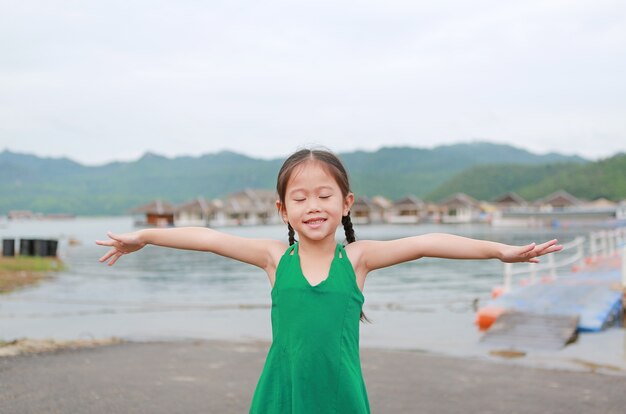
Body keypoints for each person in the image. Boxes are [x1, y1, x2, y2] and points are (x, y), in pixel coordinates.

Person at [96, 148, 562, 413]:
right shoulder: (274, 257)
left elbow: (427, 241)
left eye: (324, 194)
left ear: (346, 203)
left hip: (340, 395)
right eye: (299, 198)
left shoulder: (357, 259)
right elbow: (209, 238)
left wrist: (500, 251)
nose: (313, 205)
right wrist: (146, 237)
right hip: (283, 394)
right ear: (283, 210)